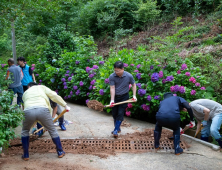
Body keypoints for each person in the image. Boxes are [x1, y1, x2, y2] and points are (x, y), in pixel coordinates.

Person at [21, 82, 70, 161]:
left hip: (28, 111)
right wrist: (65, 105)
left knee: (25, 131)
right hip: (42, 109)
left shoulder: (25, 93)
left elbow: (25, 108)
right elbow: (54, 96)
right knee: (52, 130)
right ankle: (60, 152)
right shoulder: (42, 87)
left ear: (29, 87)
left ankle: (26, 155)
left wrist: (34, 124)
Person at [109, 61, 137, 138]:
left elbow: (134, 85)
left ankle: (115, 130)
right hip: (115, 97)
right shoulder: (112, 76)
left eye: (118, 70)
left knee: (120, 113)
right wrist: (112, 100)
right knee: (114, 114)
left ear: (122, 69)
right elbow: (112, 88)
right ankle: (118, 128)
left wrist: (134, 96)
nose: (116, 72)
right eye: (115, 70)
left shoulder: (129, 76)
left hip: (124, 97)